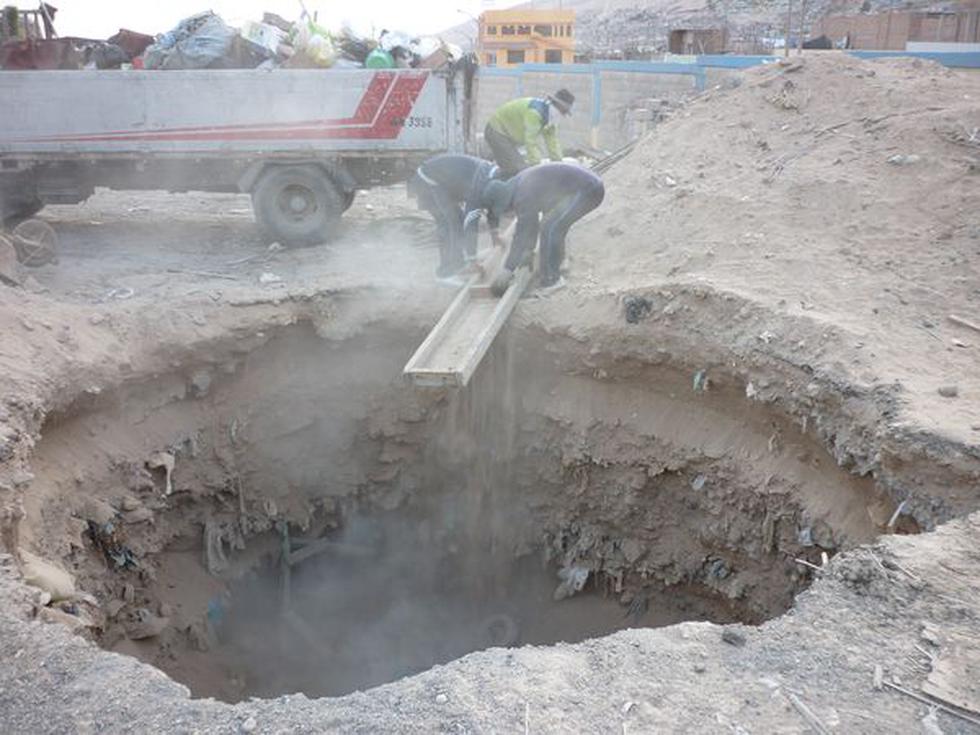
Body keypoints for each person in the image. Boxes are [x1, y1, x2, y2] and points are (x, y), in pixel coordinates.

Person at [482, 162, 604, 296]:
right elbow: (531, 224)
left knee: (550, 227)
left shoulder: (522, 195)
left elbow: (522, 233)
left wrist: (508, 269)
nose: (508, 213)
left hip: (588, 190)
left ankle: (552, 280)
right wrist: (528, 250)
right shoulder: (514, 185)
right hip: (582, 186)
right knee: (552, 222)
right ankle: (559, 262)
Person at [407, 153, 501, 279]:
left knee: (457, 220)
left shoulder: (495, 180)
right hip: (428, 179)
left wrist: (495, 233)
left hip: (444, 179)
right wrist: (472, 259)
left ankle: (459, 263)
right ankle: (448, 270)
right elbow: (471, 222)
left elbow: (493, 208)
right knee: (450, 222)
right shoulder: (480, 187)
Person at [484, 89, 575, 177]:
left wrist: (559, 165)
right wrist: (536, 166)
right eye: (563, 111)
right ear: (556, 105)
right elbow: (530, 142)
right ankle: (492, 180)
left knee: (516, 167)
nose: (563, 115)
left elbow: (553, 143)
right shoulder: (535, 113)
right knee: (518, 169)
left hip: (509, 137)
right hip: (497, 131)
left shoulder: (549, 118)